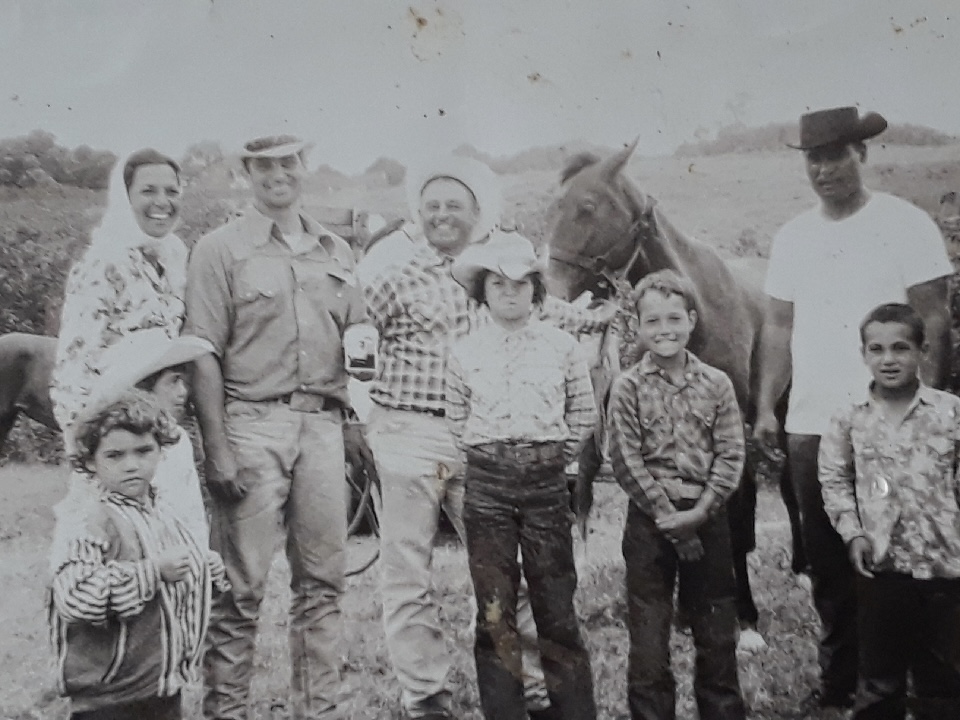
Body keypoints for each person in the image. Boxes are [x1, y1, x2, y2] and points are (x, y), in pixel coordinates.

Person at [362, 155, 613, 720]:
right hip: (408, 432)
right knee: (407, 573)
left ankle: (532, 690)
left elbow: (557, 317)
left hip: (484, 444)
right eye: (431, 206)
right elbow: (352, 326)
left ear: (477, 211)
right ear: (417, 212)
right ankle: (426, 697)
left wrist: (609, 316)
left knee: (506, 570)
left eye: (454, 205)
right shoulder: (392, 272)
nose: (441, 215)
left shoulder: (501, 266)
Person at [753, 106, 954, 711]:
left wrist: (927, 409)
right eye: (813, 159)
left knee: (902, 554)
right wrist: (766, 406)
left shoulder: (906, 224)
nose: (824, 170)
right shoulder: (794, 236)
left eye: (835, 156)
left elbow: (934, 320)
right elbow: (778, 326)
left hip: (892, 424)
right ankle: (840, 677)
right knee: (828, 558)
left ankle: (909, 677)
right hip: (813, 424)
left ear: (860, 154)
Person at [184, 134, 369, 720]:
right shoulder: (218, 249)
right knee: (240, 589)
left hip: (322, 427)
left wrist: (355, 421)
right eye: (263, 165)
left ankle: (319, 712)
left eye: (287, 162)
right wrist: (217, 447)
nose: (277, 174)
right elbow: (202, 352)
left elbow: (359, 342)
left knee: (323, 585)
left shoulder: (336, 250)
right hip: (251, 424)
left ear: (303, 166)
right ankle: (227, 713)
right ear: (247, 172)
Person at [445, 230, 598, 720]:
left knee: (556, 610)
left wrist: (546, 458)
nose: (509, 293)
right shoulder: (464, 351)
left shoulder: (562, 346)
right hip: (487, 488)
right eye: (497, 284)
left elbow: (583, 414)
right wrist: (495, 458)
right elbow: (456, 418)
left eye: (520, 284)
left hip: (545, 486)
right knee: (494, 612)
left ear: (536, 289)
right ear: (482, 292)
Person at [608, 269, 747, 720]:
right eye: (652, 321)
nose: (664, 329)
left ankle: (721, 712)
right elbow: (625, 458)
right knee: (649, 636)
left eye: (674, 318)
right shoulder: (628, 386)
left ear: (691, 320)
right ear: (637, 326)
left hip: (708, 518)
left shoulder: (717, 384)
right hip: (650, 523)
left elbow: (731, 453)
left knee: (716, 631)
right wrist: (669, 518)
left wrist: (700, 513)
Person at [48, 391, 227, 720]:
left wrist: (204, 570)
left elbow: (177, 588)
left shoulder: (163, 513)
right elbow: (76, 598)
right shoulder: (88, 520)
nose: (132, 465)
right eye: (114, 456)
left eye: (144, 451)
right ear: (90, 461)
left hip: (160, 685)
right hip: (108, 698)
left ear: (161, 451)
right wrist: (152, 573)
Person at [819, 303, 960, 719]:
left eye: (900, 348)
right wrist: (853, 533)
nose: (888, 359)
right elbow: (835, 478)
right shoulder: (849, 416)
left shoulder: (951, 413)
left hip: (944, 567)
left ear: (923, 351)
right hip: (882, 567)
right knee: (879, 680)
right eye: (876, 349)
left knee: (945, 678)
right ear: (863, 354)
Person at [51, 148, 188, 447]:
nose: (162, 202)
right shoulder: (104, 261)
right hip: (112, 428)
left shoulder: (174, 257)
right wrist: (80, 437)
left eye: (171, 191)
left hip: (160, 425)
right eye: (148, 191)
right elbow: (75, 358)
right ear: (125, 197)